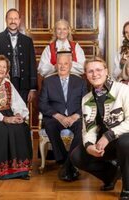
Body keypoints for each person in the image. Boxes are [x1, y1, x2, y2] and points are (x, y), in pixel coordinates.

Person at [71, 57, 129, 200]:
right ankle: (110, 175)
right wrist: (89, 145)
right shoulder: (86, 99)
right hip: (105, 144)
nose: (95, 74)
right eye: (90, 71)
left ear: (106, 71)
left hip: (124, 138)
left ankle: (127, 188)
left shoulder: (123, 90)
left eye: (98, 70)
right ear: (86, 74)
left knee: (125, 143)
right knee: (76, 156)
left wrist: (108, 136)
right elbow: (88, 129)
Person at [39, 51, 87, 181]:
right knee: (49, 125)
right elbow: (42, 104)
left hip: (75, 117)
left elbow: (86, 103)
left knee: (82, 128)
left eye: (66, 63)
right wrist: (59, 116)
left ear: (71, 65)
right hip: (56, 118)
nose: (62, 66)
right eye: (59, 64)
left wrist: (75, 116)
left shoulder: (80, 82)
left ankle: (67, 164)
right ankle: (67, 162)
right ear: (55, 65)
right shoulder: (48, 81)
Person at [0, 8, 37, 103]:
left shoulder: (27, 41)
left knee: (20, 114)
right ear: (6, 20)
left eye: (15, 19)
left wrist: (32, 88)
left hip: (23, 85)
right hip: (1, 85)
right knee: (5, 113)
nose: (13, 21)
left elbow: (32, 65)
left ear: (19, 21)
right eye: (10, 18)